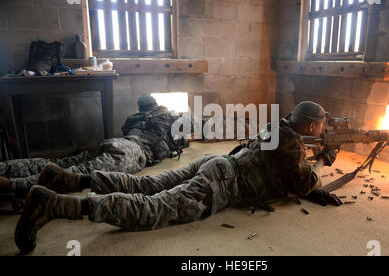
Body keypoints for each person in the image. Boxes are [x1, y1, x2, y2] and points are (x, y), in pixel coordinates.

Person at [14, 101, 342, 252]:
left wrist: (312, 150)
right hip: (224, 183)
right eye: (322, 124)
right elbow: (305, 182)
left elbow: (286, 155)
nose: (323, 128)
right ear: (312, 126)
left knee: (147, 183)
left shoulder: (277, 126)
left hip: (216, 163)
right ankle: (55, 205)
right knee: (155, 208)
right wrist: (324, 162)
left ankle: (70, 180)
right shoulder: (294, 147)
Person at [0, 94, 181, 201]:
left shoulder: (134, 117)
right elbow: (185, 127)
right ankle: (16, 185)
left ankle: (7, 167)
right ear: (156, 104)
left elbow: (125, 129)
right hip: (134, 151)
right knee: (77, 173)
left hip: (113, 142)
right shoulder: (166, 114)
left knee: (61, 162)